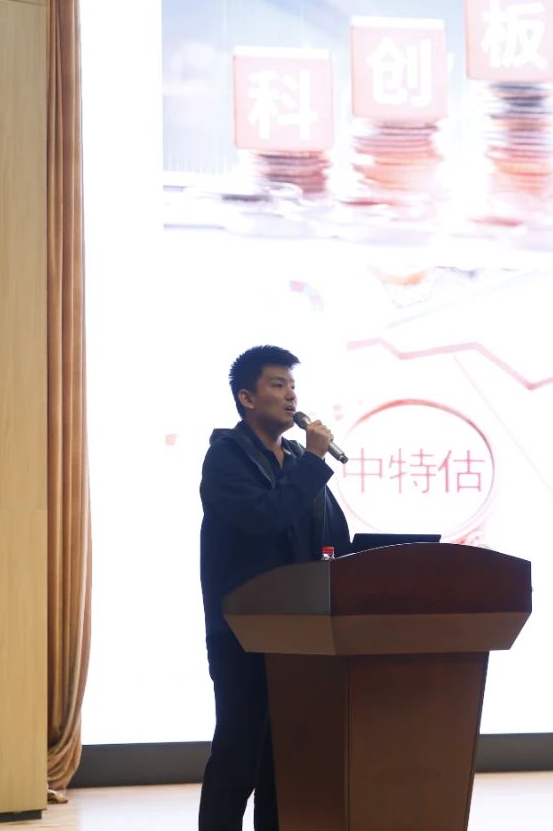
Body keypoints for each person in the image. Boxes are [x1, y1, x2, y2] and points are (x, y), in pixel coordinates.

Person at [198, 345, 351, 831]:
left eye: (293, 386)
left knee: (284, 760)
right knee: (239, 751)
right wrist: (315, 462)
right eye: (278, 385)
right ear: (247, 397)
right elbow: (264, 519)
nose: (291, 396)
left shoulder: (299, 459)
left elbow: (333, 533)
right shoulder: (226, 457)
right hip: (242, 630)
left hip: (298, 631)